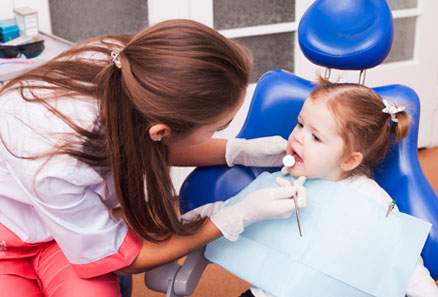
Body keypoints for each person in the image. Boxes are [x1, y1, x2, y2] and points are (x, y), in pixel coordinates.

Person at [0, 19, 301, 296]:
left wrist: (238, 151)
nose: (223, 131)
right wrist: (231, 217)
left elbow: (148, 141)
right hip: (10, 240)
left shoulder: (130, 67)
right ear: (161, 131)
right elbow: (120, 257)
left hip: (73, 222)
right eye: (218, 127)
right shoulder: (57, 167)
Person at [186, 77, 438, 297]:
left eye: (315, 136)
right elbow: (229, 211)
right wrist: (183, 224)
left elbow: (404, 263)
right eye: (299, 124)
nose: (298, 137)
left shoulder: (371, 199)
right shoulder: (282, 182)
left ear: (350, 160)